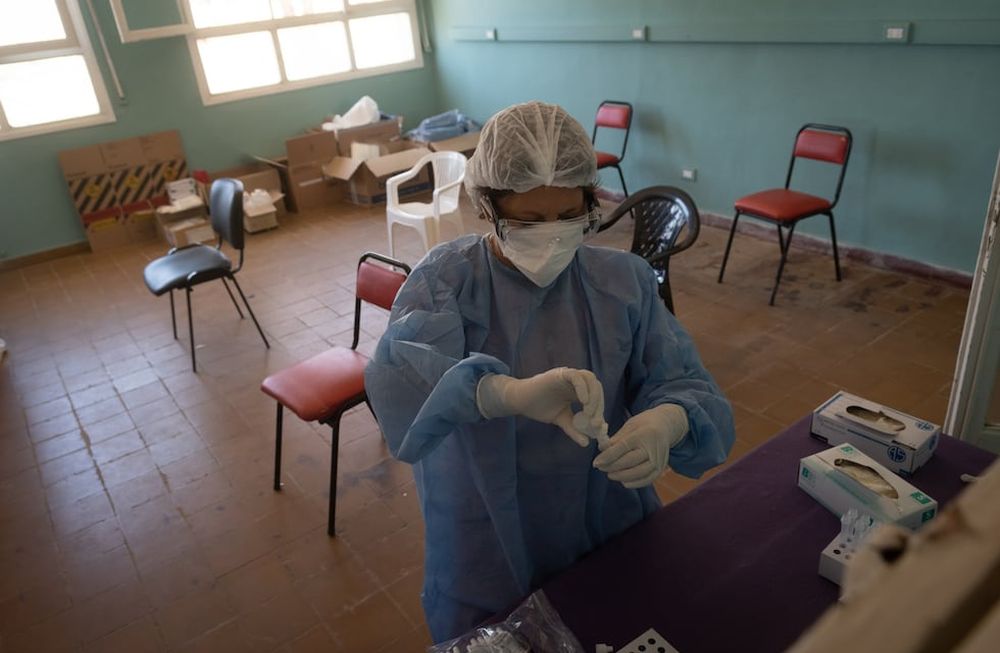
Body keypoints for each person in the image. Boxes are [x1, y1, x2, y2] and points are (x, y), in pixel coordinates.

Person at [365, 101, 734, 642]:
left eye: (567, 217)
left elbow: (684, 381)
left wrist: (669, 421)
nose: (552, 236)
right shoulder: (446, 281)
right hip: (484, 531)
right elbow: (401, 383)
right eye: (528, 222)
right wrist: (499, 394)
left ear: (590, 201)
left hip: (608, 516)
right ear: (487, 207)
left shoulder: (624, 283)